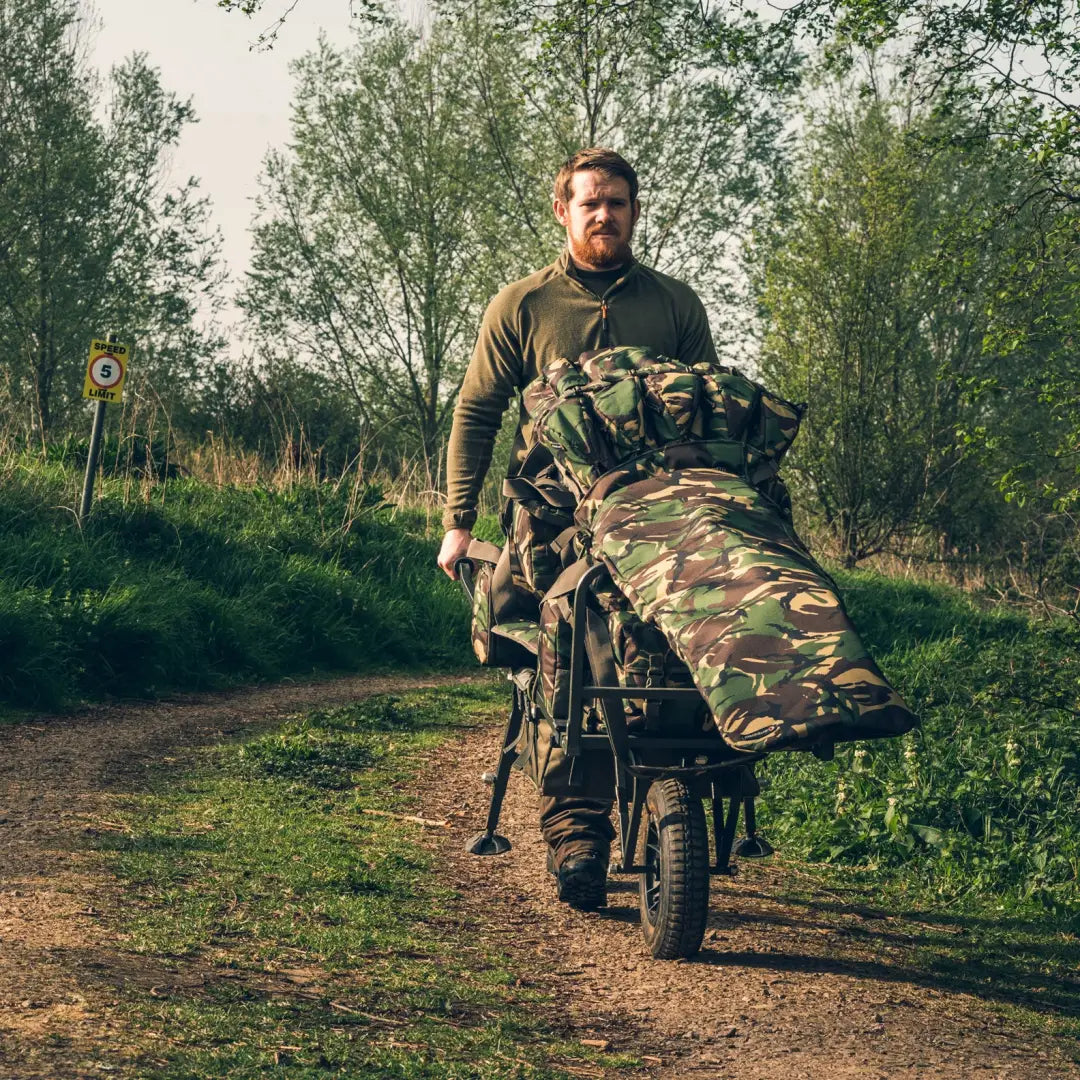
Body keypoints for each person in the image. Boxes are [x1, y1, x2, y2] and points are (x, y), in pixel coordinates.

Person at [437, 147, 720, 909]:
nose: (605, 215)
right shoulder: (522, 305)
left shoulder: (674, 305)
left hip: (660, 511)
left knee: (690, 623)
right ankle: (577, 831)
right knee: (577, 623)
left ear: (634, 212)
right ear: (562, 211)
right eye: (590, 202)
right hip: (554, 517)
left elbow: (709, 411)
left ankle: (680, 775)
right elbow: (476, 412)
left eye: (618, 203)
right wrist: (458, 522)